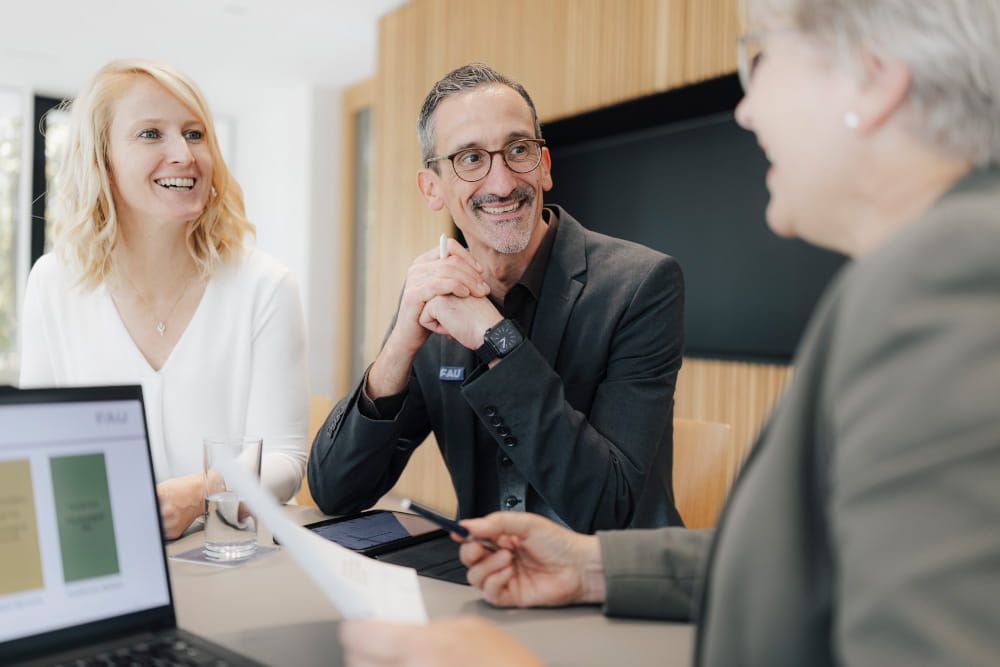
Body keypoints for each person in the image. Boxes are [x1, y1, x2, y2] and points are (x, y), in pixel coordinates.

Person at [338, 0, 1000, 664]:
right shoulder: (916, 275)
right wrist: (593, 567)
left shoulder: (945, 282)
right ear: (434, 185)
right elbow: (816, 560)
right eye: (470, 159)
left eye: (765, 59)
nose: (746, 110)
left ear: (874, 77)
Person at [308, 63, 685, 532]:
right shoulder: (437, 296)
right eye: (470, 158)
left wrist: (495, 337)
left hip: (602, 572)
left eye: (518, 149)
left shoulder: (641, 284)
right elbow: (335, 491)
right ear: (432, 188)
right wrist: (399, 348)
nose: (503, 183)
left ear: (544, 166)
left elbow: (606, 506)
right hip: (480, 568)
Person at [19, 59, 309, 539]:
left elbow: (285, 459)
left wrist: (199, 494)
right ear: (102, 160)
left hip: (236, 553)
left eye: (194, 134)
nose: (184, 154)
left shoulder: (266, 286)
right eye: (151, 134)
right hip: (108, 547)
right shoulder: (52, 283)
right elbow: (38, 445)